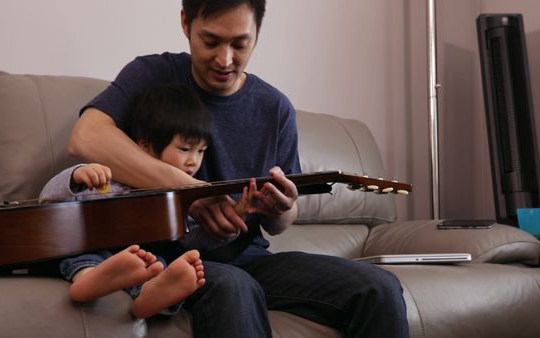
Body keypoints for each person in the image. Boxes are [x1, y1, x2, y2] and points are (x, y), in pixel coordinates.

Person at [67, 1, 410, 337]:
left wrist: (284, 208)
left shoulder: (275, 108)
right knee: (235, 286)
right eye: (211, 41)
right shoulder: (152, 74)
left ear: (257, 33)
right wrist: (190, 191)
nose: (225, 59)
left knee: (378, 288)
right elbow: (87, 137)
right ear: (186, 23)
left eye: (240, 43)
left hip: (247, 256)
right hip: (167, 261)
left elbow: (280, 225)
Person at [40, 83, 255, 319]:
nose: (194, 161)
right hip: (91, 247)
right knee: (83, 250)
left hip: (137, 260)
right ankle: (88, 278)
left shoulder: (183, 202)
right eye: (184, 149)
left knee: (158, 265)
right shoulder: (113, 180)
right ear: (146, 146)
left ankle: (149, 296)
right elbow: (49, 201)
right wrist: (78, 175)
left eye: (201, 151)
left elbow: (191, 240)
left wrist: (229, 226)